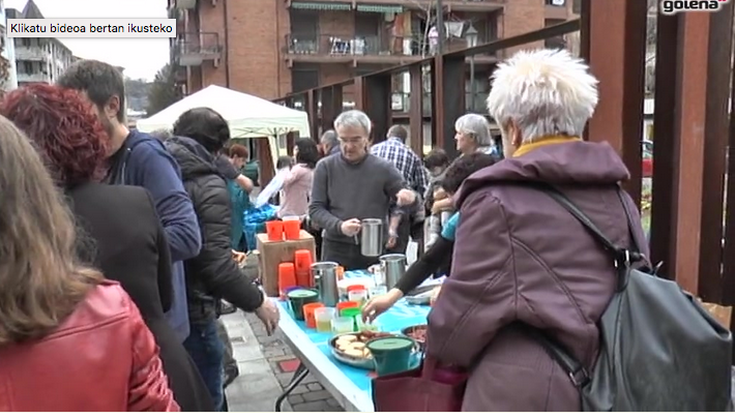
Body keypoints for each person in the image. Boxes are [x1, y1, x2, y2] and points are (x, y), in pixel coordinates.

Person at [426, 49, 649, 411]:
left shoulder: (498, 201)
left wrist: (436, 327)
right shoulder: (617, 195)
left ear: (513, 128)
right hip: (612, 383)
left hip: (525, 392)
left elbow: (457, 328)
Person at [0, 84, 213, 411]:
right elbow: (164, 295)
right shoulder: (132, 203)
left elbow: (188, 234)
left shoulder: (145, 160)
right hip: (159, 368)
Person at [57, 60, 201, 343]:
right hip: (115, 328)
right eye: (66, 112)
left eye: (79, 109)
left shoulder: (147, 156)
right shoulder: (88, 162)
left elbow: (187, 235)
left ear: (112, 106)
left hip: (154, 332)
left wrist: (119, 253)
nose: (71, 121)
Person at [169, 107, 280, 411]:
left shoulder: (162, 169)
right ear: (218, 147)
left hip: (166, 306)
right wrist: (258, 301)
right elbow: (215, 265)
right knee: (208, 397)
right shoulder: (209, 183)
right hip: (195, 308)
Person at [362, 153, 496, 321]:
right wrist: (391, 298)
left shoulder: (506, 218)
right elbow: (430, 259)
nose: (453, 202)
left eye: (455, 196)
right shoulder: (459, 219)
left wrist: (452, 288)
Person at [309, 110, 417, 270]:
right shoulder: (325, 167)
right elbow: (315, 209)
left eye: (356, 140)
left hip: (373, 249)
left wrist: (408, 196)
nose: (349, 146)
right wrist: (340, 226)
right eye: (343, 140)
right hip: (335, 248)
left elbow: (409, 196)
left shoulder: (383, 168)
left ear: (367, 138)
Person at [371, 124, 429, 254]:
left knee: (374, 251)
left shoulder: (373, 150)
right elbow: (423, 186)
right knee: (396, 255)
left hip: (374, 207)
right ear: (404, 139)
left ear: (388, 135)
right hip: (400, 207)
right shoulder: (412, 155)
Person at [431, 113, 499, 216]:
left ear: (471, 136)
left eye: (459, 133)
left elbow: (470, 196)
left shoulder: (485, 163)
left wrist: (439, 204)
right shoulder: (464, 158)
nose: (455, 137)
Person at [279, 137, 319, 218]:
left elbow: (282, 182)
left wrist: (285, 169)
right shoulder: (312, 169)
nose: (294, 153)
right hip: (304, 211)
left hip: (291, 211)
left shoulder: (298, 169)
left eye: (296, 149)